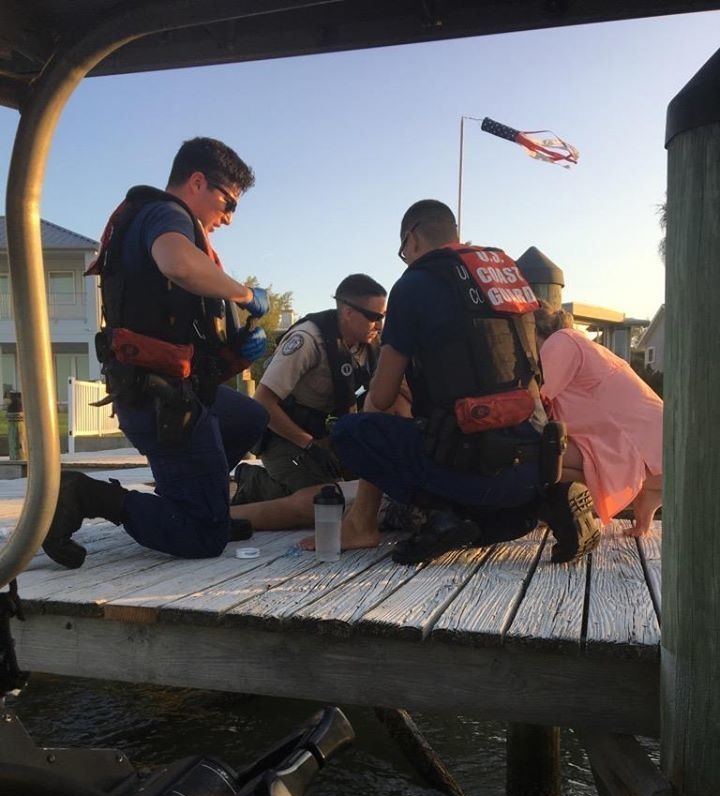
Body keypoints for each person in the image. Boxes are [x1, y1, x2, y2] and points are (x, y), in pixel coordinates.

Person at [304, 199, 601, 564]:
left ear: (412, 240)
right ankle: (544, 503)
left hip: (470, 465)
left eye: (403, 250)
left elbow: (380, 398)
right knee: (487, 467)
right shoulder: (508, 276)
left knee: (352, 430)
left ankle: (440, 514)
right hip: (535, 463)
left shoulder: (414, 283)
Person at [42, 137, 271, 569]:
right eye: (228, 203)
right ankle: (86, 495)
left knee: (250, 417)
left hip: (172, 391)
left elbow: (186, 346)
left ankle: (190, 503)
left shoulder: (165, 222)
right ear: (198, 182)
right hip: (159, 402)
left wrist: (234, 353)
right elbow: (177, 263)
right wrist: (242, 294)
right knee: (204, 538)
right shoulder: (165, 214)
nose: (228, 218)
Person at [232, 274, 387, 506]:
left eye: (383, 317)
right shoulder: (308, 341)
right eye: (373, 317)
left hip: (324, 435)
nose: (379, 325)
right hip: (284, 436)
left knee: (366, 489)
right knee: (321, 500)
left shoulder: (371, 344)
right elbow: (263, 401)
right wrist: (309, 445)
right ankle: (252, 483)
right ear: (348, 312)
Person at [535, 304, 663, 537]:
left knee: (535, 454)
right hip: (659, 449)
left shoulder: (560, 341)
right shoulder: (582, 343)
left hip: (638, 447)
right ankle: (649, 492)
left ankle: (552, 509)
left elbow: (536, 397)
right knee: (549, 449)